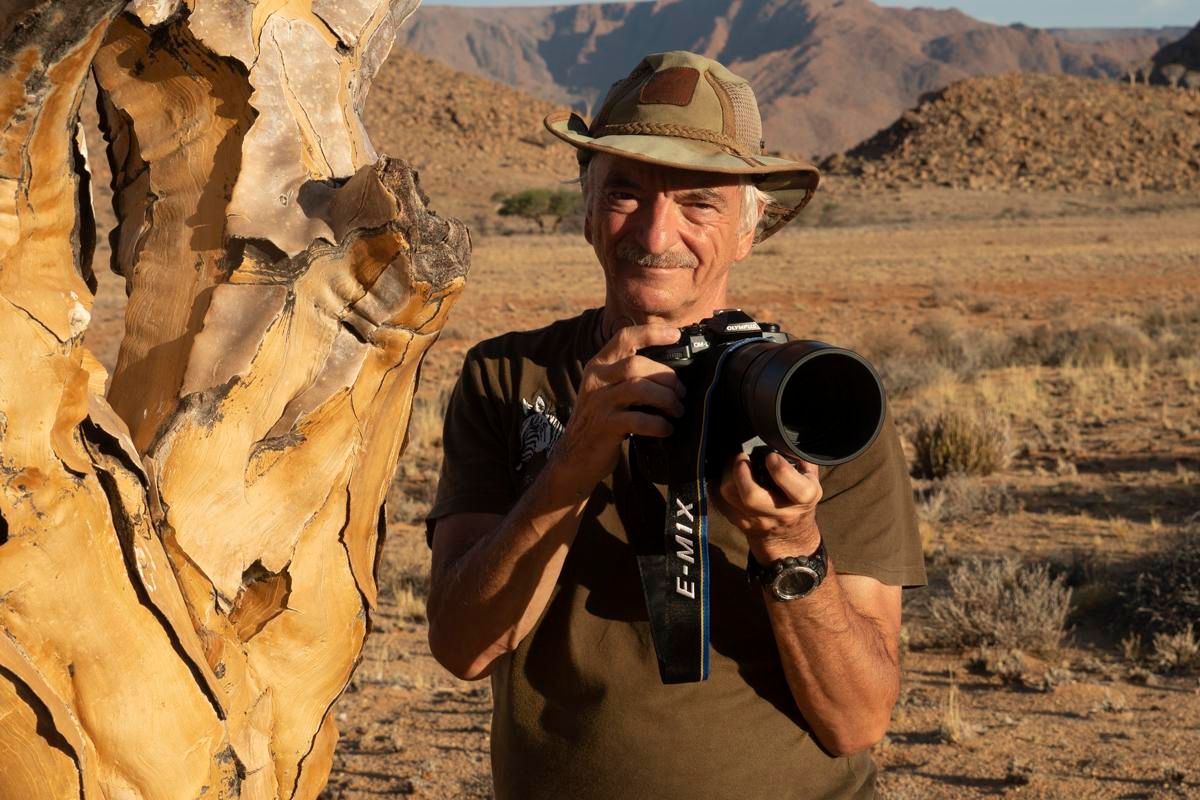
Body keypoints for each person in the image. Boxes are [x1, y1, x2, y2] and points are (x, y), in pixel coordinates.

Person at [424, 51, 926, 800]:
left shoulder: (814, 403)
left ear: (751, 229)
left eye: (700, 203)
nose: (656, 232)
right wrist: (572, 462)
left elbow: (856, 720)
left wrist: (789, 545)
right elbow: (465, 649)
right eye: (625, 192)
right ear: (586, 208)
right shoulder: (508, 378)